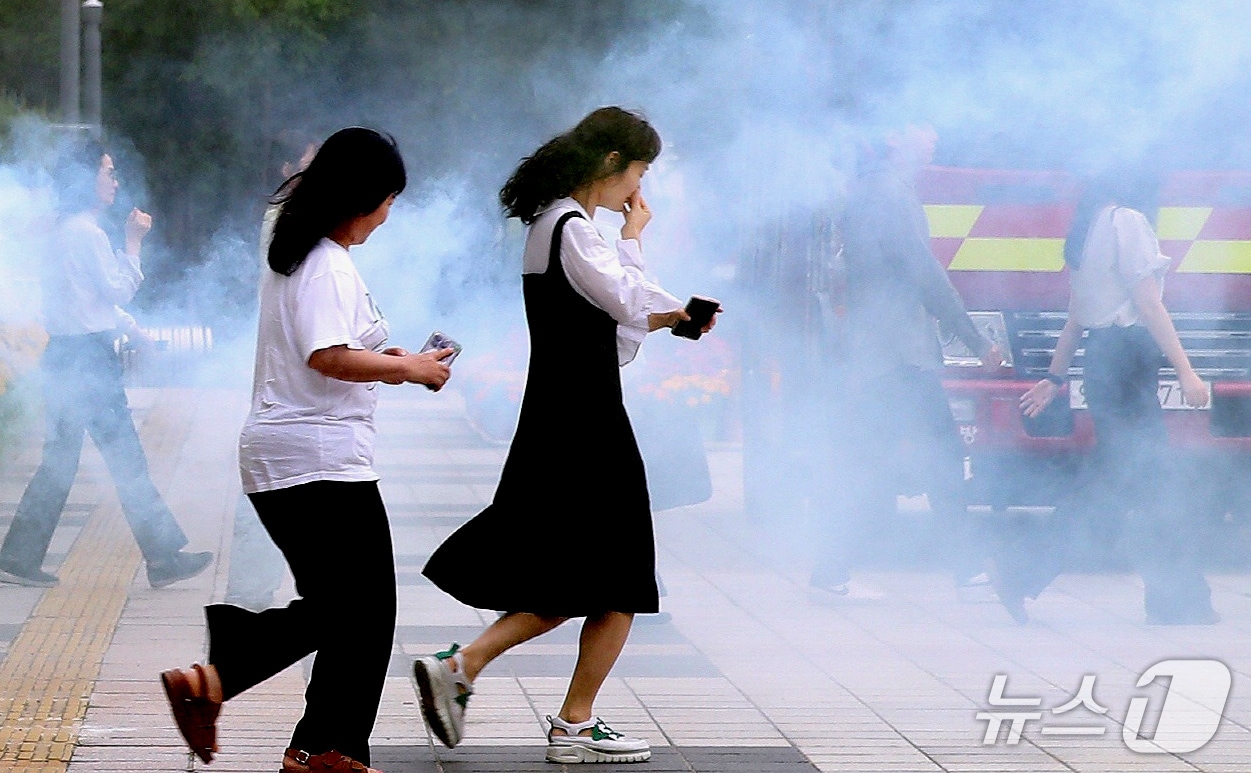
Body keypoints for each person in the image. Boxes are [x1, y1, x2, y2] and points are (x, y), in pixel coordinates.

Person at [418, 107, 716, 765]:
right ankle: (566, 720)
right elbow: (627, 302)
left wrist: (653, 281)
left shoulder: (555, 225)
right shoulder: (573, 229)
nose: (639, 187)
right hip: (585, 423)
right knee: (620, 574)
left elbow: (617, 328)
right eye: (639, 172)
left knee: (576, 574)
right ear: (612, 162)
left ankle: (470, 670)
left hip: (565, 414)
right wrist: (661, 281)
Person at [159, 127, 454, 773]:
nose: (387, 216)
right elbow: (325, 355)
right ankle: (226, 681)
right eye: (387, 201)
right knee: (360, 608)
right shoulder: (324, 262)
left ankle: (322, 744)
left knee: (349, 611)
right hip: (315, 459)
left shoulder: (303, 255)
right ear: (362, 198)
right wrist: (409, 372)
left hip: (294, 456)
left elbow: (332, 347)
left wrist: (394, 357)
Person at [998, 170, 1218, 625]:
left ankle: (1173, 598)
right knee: (1144, 482)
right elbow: (1149, 303)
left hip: (1103, 362)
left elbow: (1077, 317)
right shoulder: (1129, 222)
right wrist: (1186, 370)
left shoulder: (1087, 227)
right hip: (1128, 361)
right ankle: (1176, 600)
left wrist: (1055, 378)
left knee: (1125, 483)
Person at [0, 139, 212, 589]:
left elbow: (90, 301)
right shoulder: (86, 233)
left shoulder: (63, 229)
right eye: (107, 172)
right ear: (85, 177)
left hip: (68, 355)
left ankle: (20, 557)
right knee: (124, 459)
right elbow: (116, 290)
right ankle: (162, 557)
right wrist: (134, 242)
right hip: (87, 360)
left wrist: (133, 331)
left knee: (65, 460)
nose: (114, 181)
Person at [810, 125, 1004, 599]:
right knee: (935, 457)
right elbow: (923, 272)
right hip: (896, 354)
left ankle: (833, 571)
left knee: (880, 461)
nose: (934, 137)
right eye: (922, 128)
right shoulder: (888, 195)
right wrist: (975, 340)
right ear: (895, 137)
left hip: (886, 353)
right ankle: (965, 570)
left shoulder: (879, 191)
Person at [223, 130, 320, 612]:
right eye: (311, 163)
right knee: (271, 487)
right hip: (287, 393)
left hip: (293, 396)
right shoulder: (288, 222)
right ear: (288, 170)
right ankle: (248, 595)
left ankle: (253, 593)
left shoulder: (301, 223)